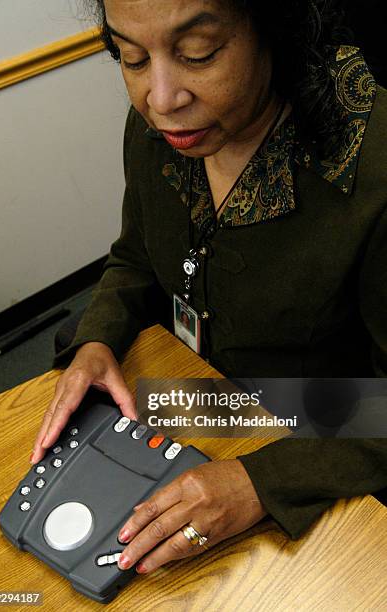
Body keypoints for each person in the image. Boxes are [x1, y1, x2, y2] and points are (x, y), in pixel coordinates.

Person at [31, 0, 387, 575]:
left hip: (322, 446)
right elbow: (135, 258)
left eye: (198, 53)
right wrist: (97, 339)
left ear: (277, 29)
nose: (161, 100)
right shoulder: (163, 128)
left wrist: (261, 481)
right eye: (132, 57)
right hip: (197, 405)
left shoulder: (373, 167)